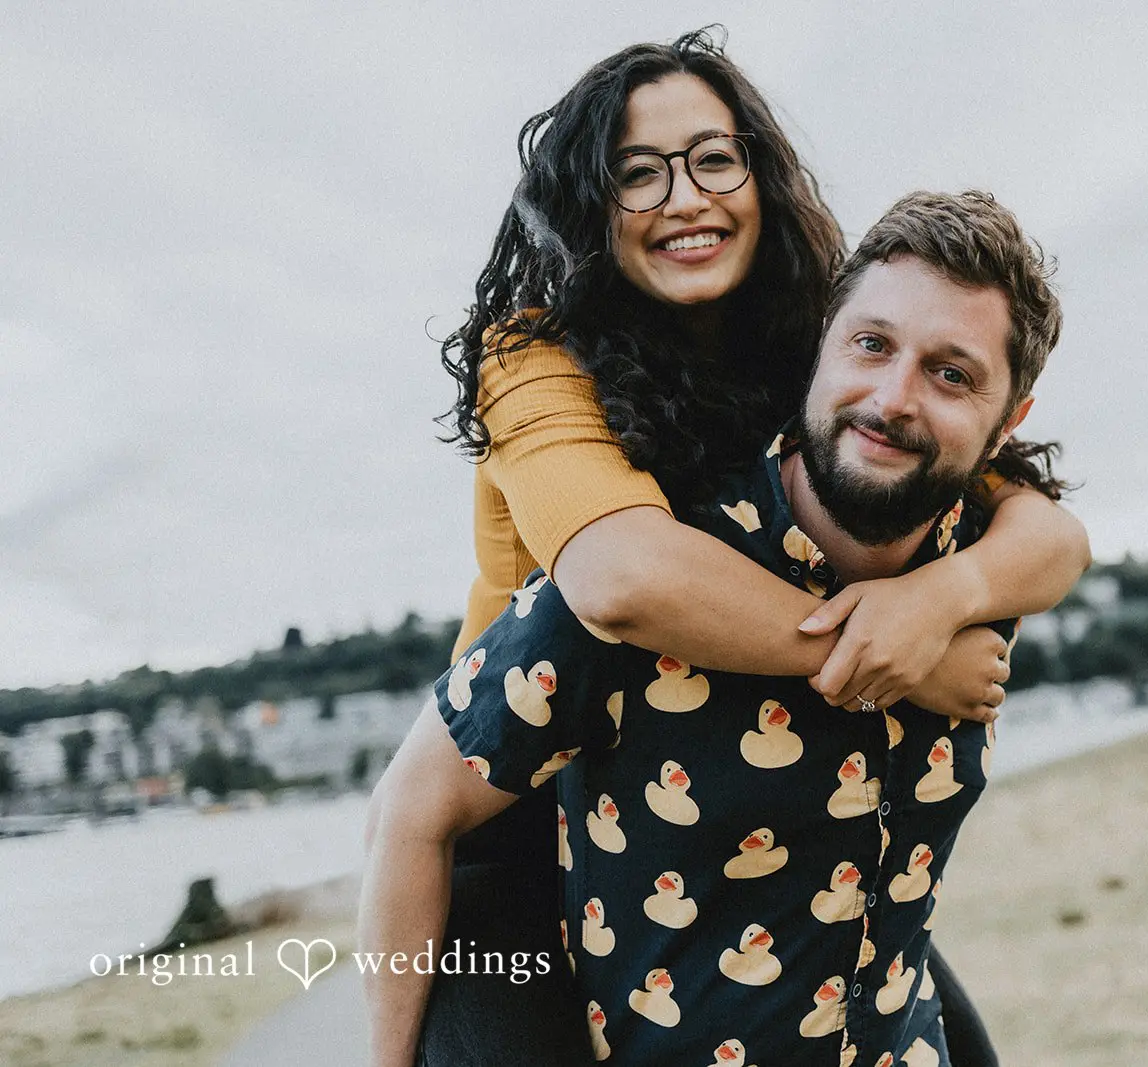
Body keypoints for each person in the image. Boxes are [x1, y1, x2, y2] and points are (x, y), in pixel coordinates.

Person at [369, 28, 1088, 1066]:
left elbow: (1044, 524)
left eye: (713, 157)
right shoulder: (536, 358)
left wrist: (946, 592)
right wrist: (897, 652)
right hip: (521, 801)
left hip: (729, 796)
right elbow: (621, 580)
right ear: (590, 206)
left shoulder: (823, 343)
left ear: (760, 171)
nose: (684, 196)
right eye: (636, 174)